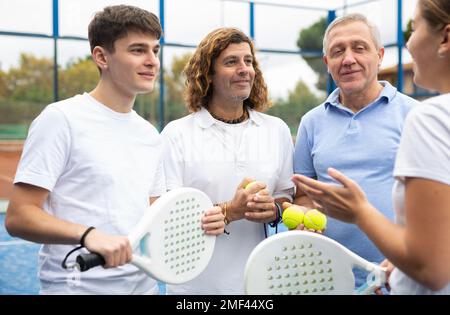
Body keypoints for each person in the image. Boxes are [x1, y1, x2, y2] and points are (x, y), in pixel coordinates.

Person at [5, 5, 223, 295]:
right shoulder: (61, 119)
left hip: (144, 288)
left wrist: (209, 219)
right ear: (101, 56)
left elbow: (155, 218)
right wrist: (88, 235)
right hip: (77, 289)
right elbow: (19, 216)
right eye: (137, 50)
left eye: (155, 51)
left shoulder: (149, 134)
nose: (152, 62)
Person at [293, 0, 450, 294]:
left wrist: (405, 257)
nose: (348, 58)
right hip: (327, 277)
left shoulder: (418, 115)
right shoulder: (310, 123)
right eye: (337, 51)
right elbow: (303, 195)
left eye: (359, 47)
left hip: (398, 277)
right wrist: (305, 216)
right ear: (327, 64)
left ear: (379, 56)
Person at [161, 27, 295, 294]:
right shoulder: (176, 135)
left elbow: (285, 199)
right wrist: (228, 211)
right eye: (231, 62)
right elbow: (168, 219)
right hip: (195, 289)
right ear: (208, 74)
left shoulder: (276, 130)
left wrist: (275, 211)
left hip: (258, 286)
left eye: (248, 61)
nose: (244, 68)